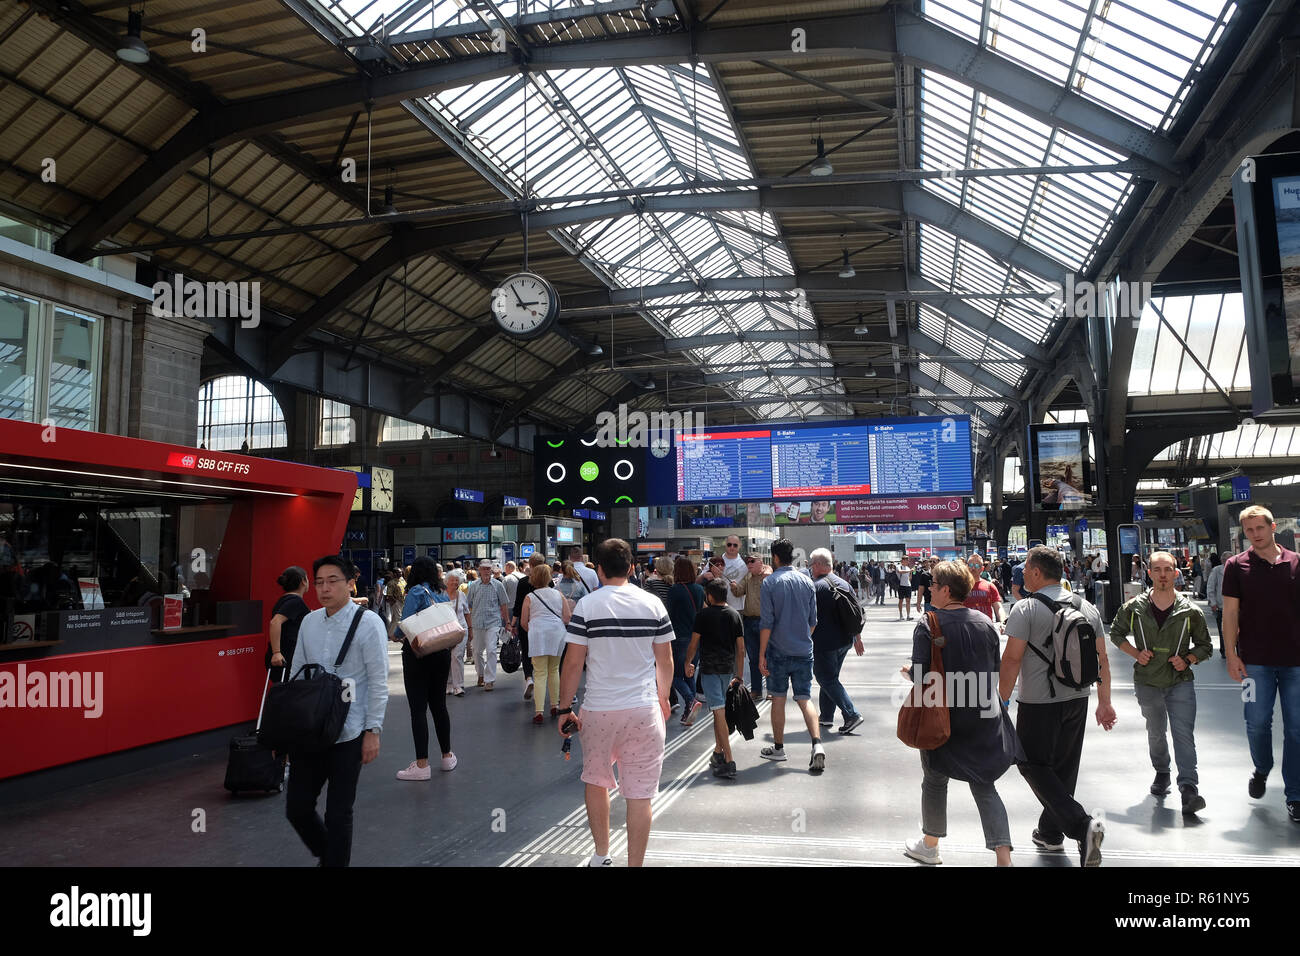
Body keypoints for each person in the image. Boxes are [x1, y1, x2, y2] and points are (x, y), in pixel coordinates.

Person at [557, 538, 674, 867]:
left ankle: (601, 855)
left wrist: (565, 708)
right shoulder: (653, 605)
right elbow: (665, 661)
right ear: (633, 567)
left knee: (596, 780)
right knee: (640, 796)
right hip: (644, 709)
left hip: (599, 710)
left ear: (600, 569)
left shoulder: (588, 606)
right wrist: (662, 696)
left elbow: (572, 663)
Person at [999, 546, 1115, 867]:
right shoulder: (1086, 607)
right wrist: (1104, 702)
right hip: (1078, 698)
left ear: (1037, 572)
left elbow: (1011, 659)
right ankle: (1050, 833)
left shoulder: (1025, 608)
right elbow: (1102, 659)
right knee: (1063, 768)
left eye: (1025, 569)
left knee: (1030, 763)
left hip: (1038, 702)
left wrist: (1002, 700)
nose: (1022, 574)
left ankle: (1082, 826)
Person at [903, 561, 1015, 867]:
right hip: (982, 712)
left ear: (945, 589)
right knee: (984, 782)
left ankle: (930, 846)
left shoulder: (928, 624)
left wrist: (907, 672)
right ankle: (1003, 856)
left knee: (935, 779)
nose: (930, 589)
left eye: (934, 583)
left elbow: (920, 676)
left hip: (941, 715)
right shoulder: (984, 622)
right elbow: (994, 670)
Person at [285, 555, 389, 867]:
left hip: (350, 731)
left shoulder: (369, 623)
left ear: (349, 583)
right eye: (319, 582)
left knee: (339, 812)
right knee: (298, 808)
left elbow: (378, 681)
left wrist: (373, 730)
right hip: (311, 731)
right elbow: (297, 675)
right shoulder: (309, 621)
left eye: (333, 581)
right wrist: (291, 728)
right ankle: (330, 854)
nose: (325, 588)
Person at [1109, 551, 1212, 813]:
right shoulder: (1134, 608)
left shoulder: (1190, 611)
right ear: (1149, 573)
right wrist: (1135, 653)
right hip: (1147, 681)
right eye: (1158, 570)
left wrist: (1188, 658)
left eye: (1168, 569)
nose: (1163, 575)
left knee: (1183, 735)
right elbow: (1116, 632)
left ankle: (1189, 789)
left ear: (1176, 573)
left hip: (1180, 680)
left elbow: (1205, 646)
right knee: (1156, 732)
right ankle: (1162, 771)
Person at [1221, 505, 1300, 823]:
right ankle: (1262, 768)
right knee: (1256, 723)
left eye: (1259, 528)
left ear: (1272, 527)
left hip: (1296, 663)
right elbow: (1230, 614)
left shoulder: (1296, 563)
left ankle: (1295, 794)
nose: (1255, 535)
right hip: (1255, 664)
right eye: (1249, 530)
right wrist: (1231, 654)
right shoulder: (1236, 566)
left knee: (1297, 730)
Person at [758, 538, 826, 773]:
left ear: (775, 558)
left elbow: (766, 622)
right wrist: (802, 637)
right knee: (804, 699)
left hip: (778, 651)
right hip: (803, 651)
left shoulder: (770, 583)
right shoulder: (807, 582)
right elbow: (813, 622)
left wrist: (761, 654)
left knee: (778, 699)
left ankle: (779, 748)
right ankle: (817, 745)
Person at [394, 557, 456, 780]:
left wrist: (396, 635)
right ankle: (447, 756)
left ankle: (422, 765)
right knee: (439, 705)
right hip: (441, 653)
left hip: (418, 656)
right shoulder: (441, 592)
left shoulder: (416, 592)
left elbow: (406, 623)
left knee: (418, 709)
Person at [684, 577, 745, 778]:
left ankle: (729, 759)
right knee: (719, 711)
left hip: (709, 669)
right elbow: (741, 649)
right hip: (727, 668)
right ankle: (718, 753)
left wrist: (688, 662)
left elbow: (693, 643)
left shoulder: (703, 615)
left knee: (718, 712)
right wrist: (740, 674)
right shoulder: (734, 615)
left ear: (709, 596)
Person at [809, 548, 865, 734]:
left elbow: (811, 618)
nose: (810, 568)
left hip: (825, 643)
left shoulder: (816, 587)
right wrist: (857, 637)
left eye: (811, 565)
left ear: (817, 565)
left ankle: (851, 714)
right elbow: (855, 613)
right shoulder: (844, 584)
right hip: (845, 641)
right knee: (830, 678)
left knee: (826, 678)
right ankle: (826, 716)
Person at [521, 563, 568, 724]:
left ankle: (539, 711)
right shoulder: (559, 594)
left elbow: (523, 622)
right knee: (554, 670)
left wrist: (533, 629)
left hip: (538, 635)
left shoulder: (530, 597)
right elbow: (567, 617)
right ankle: (554, 705)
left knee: (540, 673)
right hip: (557, 633)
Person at [666, 557, 704, 724]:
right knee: (690, 672)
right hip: (696, 637)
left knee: (674, 676)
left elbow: (669, 614)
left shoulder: (675, 590)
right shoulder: (699, 589)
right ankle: (689, 713)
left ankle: (690, 700)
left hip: (679, 637)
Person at [467, 558, 510, 691]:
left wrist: (507, 622)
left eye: (488, 568)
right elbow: (468, 605)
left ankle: (489, 679)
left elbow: (503, 604)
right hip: (477, 623)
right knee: (477, 651)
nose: (486, 571)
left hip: (493, 622)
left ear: (491, 570)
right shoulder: (473, 585)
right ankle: (480, 674)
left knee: (491, 650)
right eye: (483, 568)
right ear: (479, 570)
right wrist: (468, 625)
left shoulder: (498, 585)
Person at [509, 554, 545, 701]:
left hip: (526, 622)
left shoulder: (524, 582)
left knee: (526, 651)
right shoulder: (548, 582)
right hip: (543, 623)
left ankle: (529, 677)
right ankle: (541, 679)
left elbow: (517, 606)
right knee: (542, 653)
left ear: (530, 564)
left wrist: (512, 624)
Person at [735, 553, 769, 700]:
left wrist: (768, 570)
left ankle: (772, 689)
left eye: (752, 561)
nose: (749, 564)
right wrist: (734, 586)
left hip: (764, 622)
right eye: (747, 562)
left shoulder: (768, 575)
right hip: (749, 621)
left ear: (760, 562)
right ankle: (756, 690)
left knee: (767, 656)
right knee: (753, 658)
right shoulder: (747, 577)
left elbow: (770, 569)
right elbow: (738, 592)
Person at [268, 566, 309, 684]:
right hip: (286, 657)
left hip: (282, 657)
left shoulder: (284, 600)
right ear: (303, 581)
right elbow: (275, 622)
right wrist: (276, 652)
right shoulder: (296, 601)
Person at [444, 570, 468, 697]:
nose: (455, 582)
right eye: (452, 580)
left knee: (456, 656)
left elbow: (467, 613)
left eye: (457, 580)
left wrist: (471, 629)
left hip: (461, 630)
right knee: (448, 657)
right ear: (446, 581)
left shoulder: (462, 595)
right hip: (447, 632)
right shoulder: (441, 595)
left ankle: (459, 685)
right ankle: (449, 684)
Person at [964, 554, 1005, 624]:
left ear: (982, 569)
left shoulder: (990, 586)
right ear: (967, 567)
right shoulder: (960, 586)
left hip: (986, 628)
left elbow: (998, 607)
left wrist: (1002, 621)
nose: (973, 568)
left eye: (976, 566)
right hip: (966, 629)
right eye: (970, 565)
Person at [1205, 552, 1225, 658]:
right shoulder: (1217, 570)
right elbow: (1211, 586)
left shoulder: (1237, 569)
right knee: (1223, 630)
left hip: (1236, 606)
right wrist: (1212, 602)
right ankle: (1224, 650)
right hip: (1221, 606)